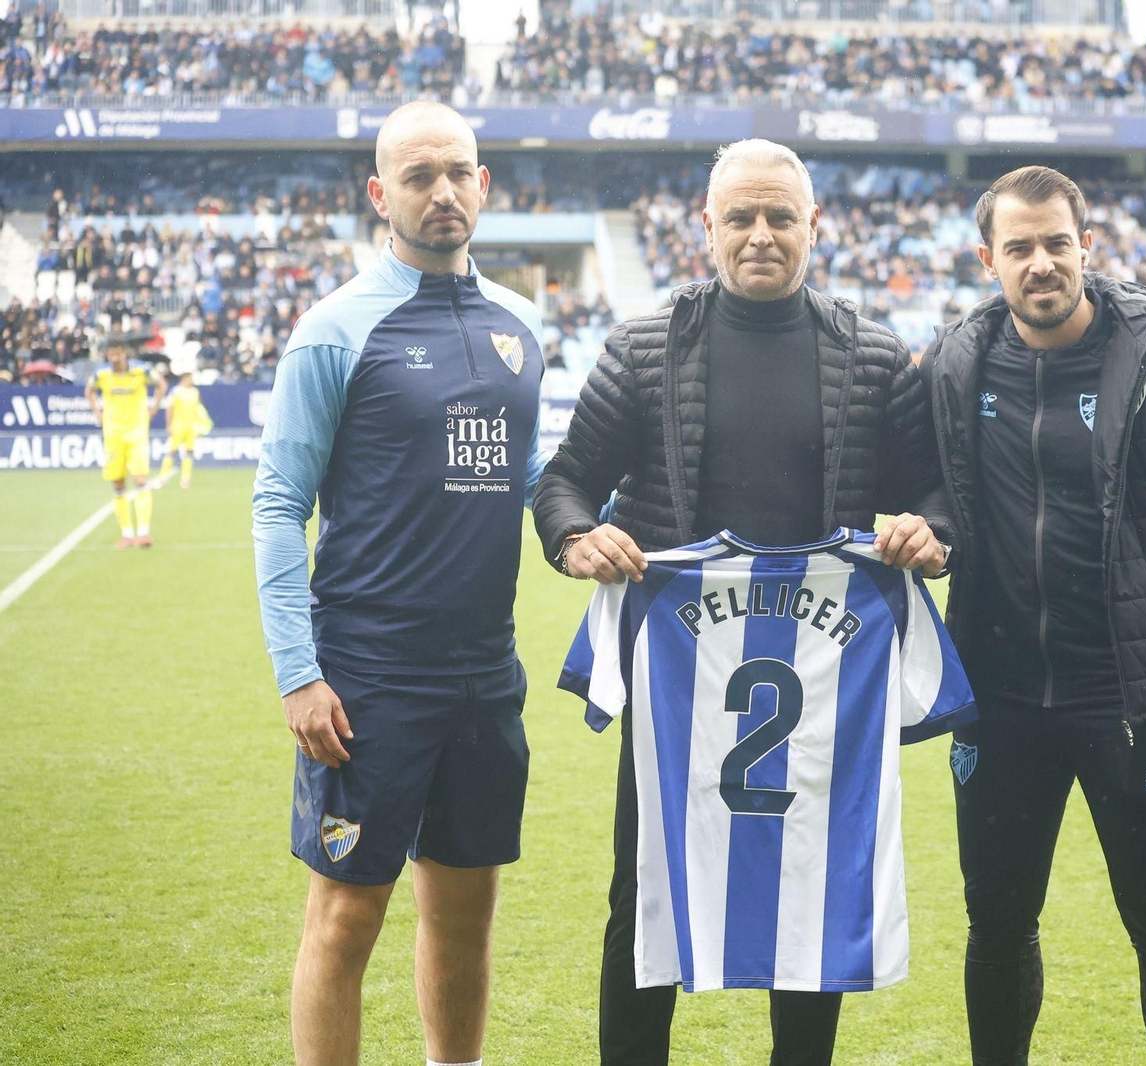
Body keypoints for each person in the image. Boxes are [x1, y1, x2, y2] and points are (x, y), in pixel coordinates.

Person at [533, 138, 956, 1066]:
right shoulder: (645, 349)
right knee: (644, 895)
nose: (760, 234)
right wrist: (576, 538)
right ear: (707, 227)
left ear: (815, 225)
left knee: (812, 891)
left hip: (821, 685)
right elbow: (565, 480)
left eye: (780, 217)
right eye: (740, 217)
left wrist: (931, 533)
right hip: (679, 683)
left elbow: (934, 492)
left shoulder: (874, 356)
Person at [919, 166, 1146, 1066]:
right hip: (998, 698)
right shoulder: (956, 364)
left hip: (1135, 699)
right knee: (997, 924)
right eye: (1019, 247)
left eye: (1056, 243)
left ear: (1088, 246)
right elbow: (931, 496)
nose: (1040, 263)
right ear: (988, 260)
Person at [251, 101, 546, 1066]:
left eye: (458, 173)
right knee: (344, 923)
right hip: (367, 680)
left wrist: (597, 522)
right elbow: (277, 505)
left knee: (464, 917)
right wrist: (299, 673)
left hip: (486, 675)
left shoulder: (522, 324)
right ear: (381, 194)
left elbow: (532, 473)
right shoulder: (334, 331)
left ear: (483, 184)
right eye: (419, 177)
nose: (442, 192)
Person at [85, 328, 164, 548]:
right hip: (113, 435)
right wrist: (97, 412)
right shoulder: (101, 374)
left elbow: (161, 385)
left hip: (137, 433)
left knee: (140, 480)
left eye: (118, 354)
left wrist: (154, 408)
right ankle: (127, 534)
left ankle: (144, 533)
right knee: (118, 483)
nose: (114, 358)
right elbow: (89, 391)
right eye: (111, 354)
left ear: (125, 353)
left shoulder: (141, 370)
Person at [158, 371, 210, 488]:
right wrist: (168, 425)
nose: (192, 380)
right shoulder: (176, 391)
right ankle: (163, 476)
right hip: (177, 426)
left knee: (189, 452)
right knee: (171, 450)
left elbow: (198, 409)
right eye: (190, 378)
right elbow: (170, 408)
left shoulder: (195, 392)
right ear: (185, 378)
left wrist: (200, 425)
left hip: (191, 427)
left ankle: (185, 478)